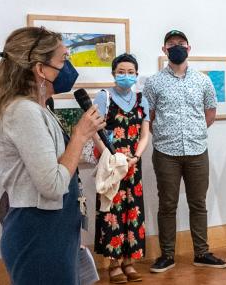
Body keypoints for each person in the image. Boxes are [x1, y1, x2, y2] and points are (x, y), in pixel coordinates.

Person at [0, 26, 104, 284]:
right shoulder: (23, 112)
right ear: (40, 69)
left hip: (55, 226)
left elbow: (60, 166)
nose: (68, 68)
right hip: (38, 229)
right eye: (63, 60)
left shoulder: (39, 108)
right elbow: (52, 185)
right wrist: (80, 134)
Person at [142, 30, 226, 272]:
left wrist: (194, 130)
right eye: (171, 44)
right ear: (164, 50)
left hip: (197, 150)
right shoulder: (154, 82)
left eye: (181, 44)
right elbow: (150, 116)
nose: (176, 47)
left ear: (189, 48)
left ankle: (201, 252)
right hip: (165, 152)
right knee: (167, 205)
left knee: (198, 203)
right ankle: (167, 255)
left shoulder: (203, 80)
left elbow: (210, 113)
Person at [87, 53, 151, 283]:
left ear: (136, 74)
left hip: (133, 165)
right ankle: (113, 265)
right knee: (112, 211)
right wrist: (110, 154)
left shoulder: (142, 99)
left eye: (131, 72)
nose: (126, 76)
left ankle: (129, 262)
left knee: (133, 211)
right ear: (113, 73)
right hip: (112, 164)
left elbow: (145, 134)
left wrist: (135, 156)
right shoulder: (104, 97)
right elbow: (94, 130)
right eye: (121, 72)